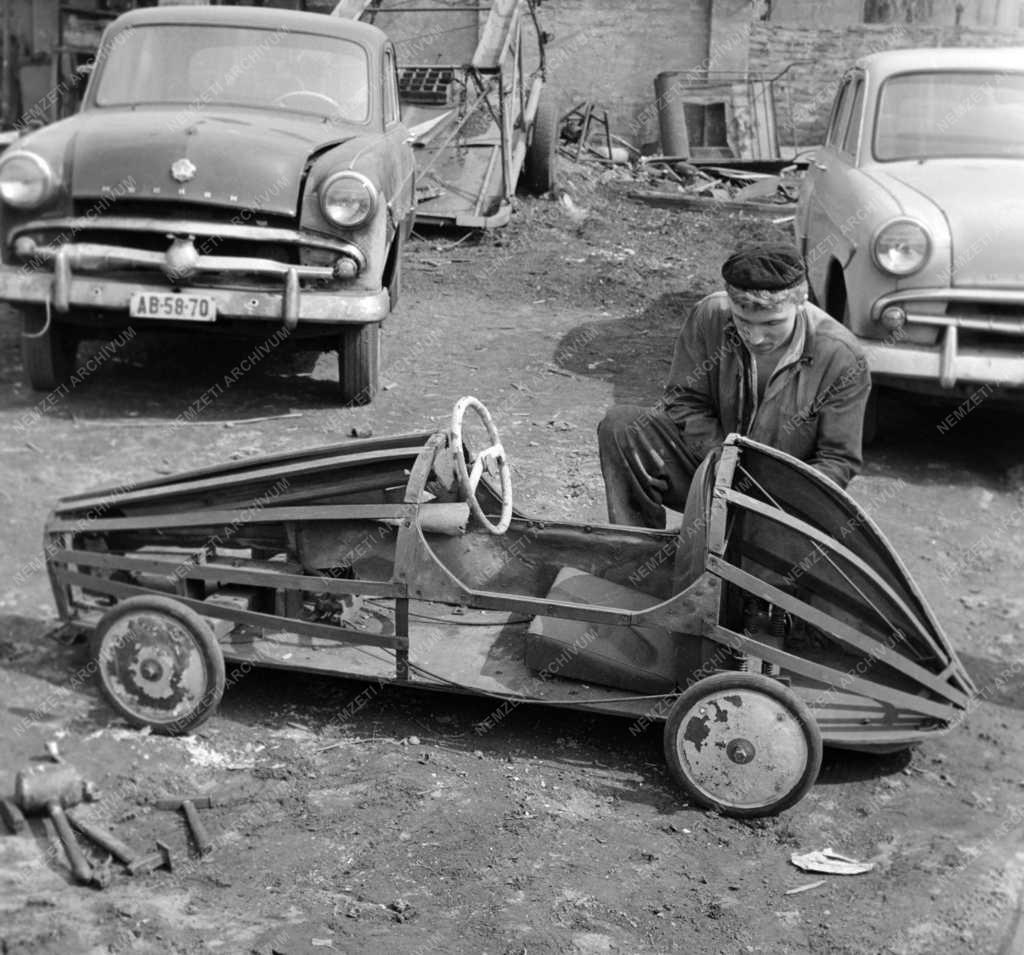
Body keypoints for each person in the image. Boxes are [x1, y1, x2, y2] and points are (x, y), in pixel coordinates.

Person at [597, 243, 870, 528]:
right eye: (743, 321)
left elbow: (837, 460)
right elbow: (685, 401)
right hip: (711, 467)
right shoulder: (709, 315)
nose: (756, 337)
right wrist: (724, 465)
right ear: (730, 302)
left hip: (780, 497)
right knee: (621, 427)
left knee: (752, 562)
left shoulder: (842, 356)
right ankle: (637, 552)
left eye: (772, 323)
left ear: (802, 302)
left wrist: (776, 503)